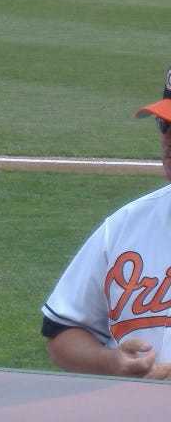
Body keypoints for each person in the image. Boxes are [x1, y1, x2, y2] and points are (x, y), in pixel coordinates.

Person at [41, 66, 171, 380]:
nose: (169, 140)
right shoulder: (126, 227)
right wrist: (111, 362)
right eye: (163, 124)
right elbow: (62, 332)